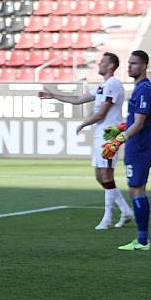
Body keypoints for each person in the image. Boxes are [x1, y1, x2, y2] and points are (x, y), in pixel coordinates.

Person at [38, 52, 134, 230]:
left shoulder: (113, 84)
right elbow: (79, 99)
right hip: (100, 135)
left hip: (108, 136)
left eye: (103, 62)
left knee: (106, 175)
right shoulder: (102, 86)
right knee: (100, 177)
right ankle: (126, 210)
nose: (99, 64)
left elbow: (101, 113)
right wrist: (54, 96)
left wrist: (83, 124)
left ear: (111, 66)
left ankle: (107, 218)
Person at [101, 50, 151, 250]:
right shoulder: (140, 88)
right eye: (129, 63)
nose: (129, 66)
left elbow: (141, 123)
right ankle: (141, 239)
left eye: (134, 63)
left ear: (143, 66)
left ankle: (142, 240)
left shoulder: (144, 89)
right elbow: (136, 120)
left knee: (136, 190)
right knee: (136, 190)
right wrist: (119, 129)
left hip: (140, 148)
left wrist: (117, 141)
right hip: (139, 146)